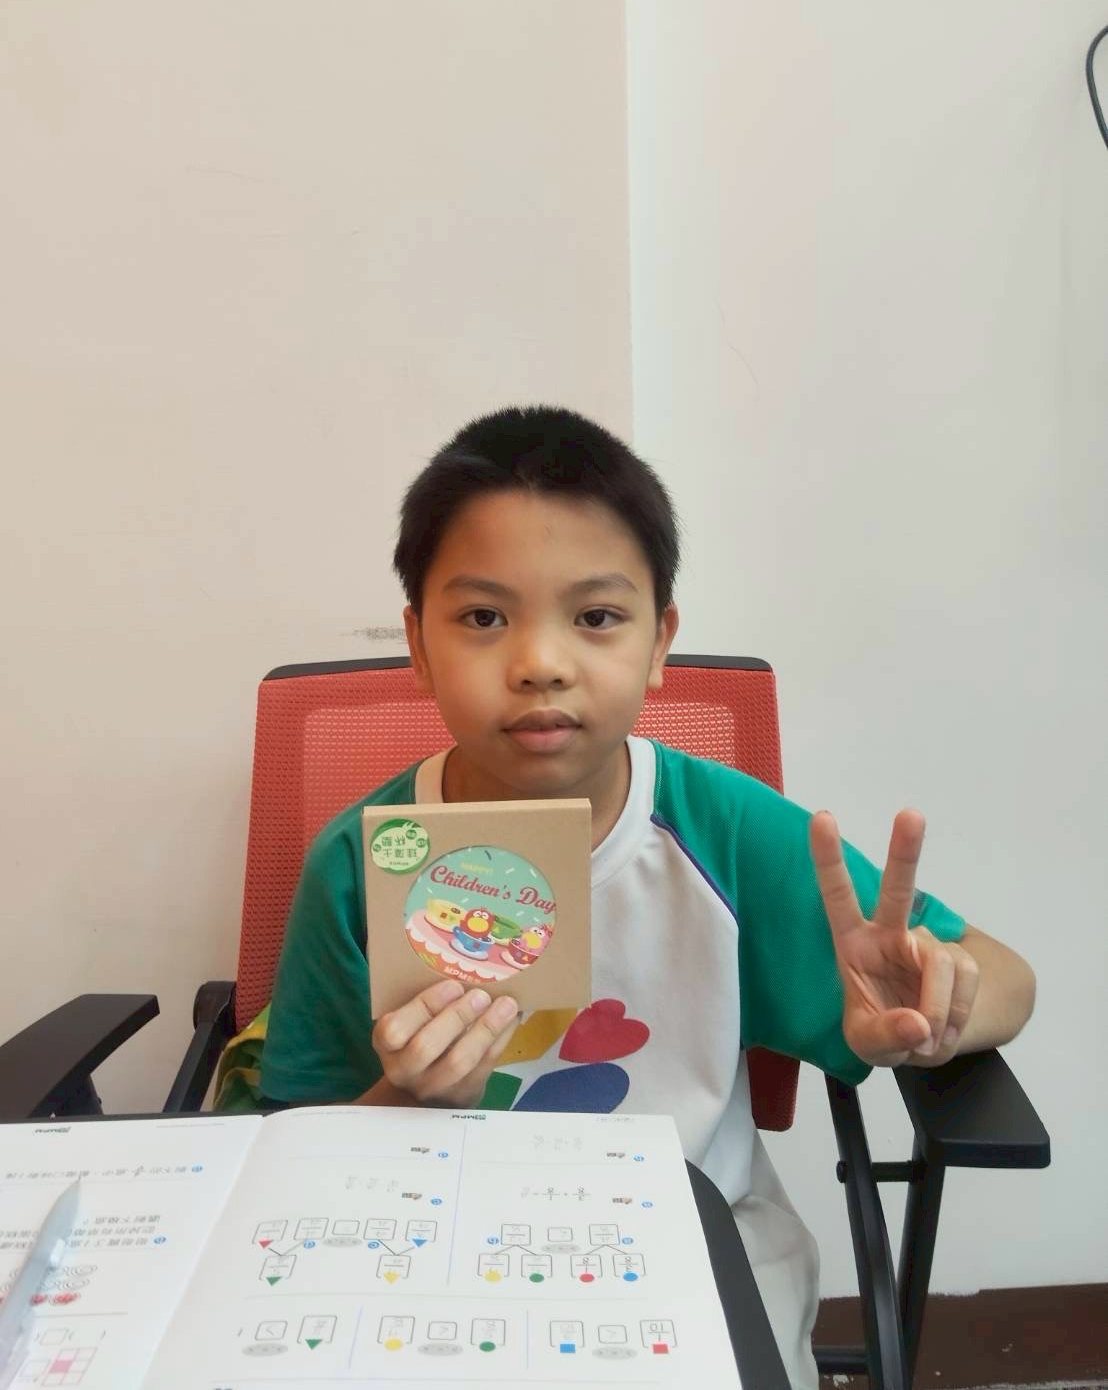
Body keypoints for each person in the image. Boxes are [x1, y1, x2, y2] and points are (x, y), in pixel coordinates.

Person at [252, 405, 1036, 1388]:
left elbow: (1008, 979)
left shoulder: (726, 831)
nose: (541, 662)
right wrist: (405, 1098)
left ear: (660, 639)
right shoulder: (360, 862)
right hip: (431, 1256)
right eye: (484, 617)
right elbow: (295, 1160)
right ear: (417, 642)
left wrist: (938, 1006)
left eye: (596, 617)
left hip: (697, 1251)